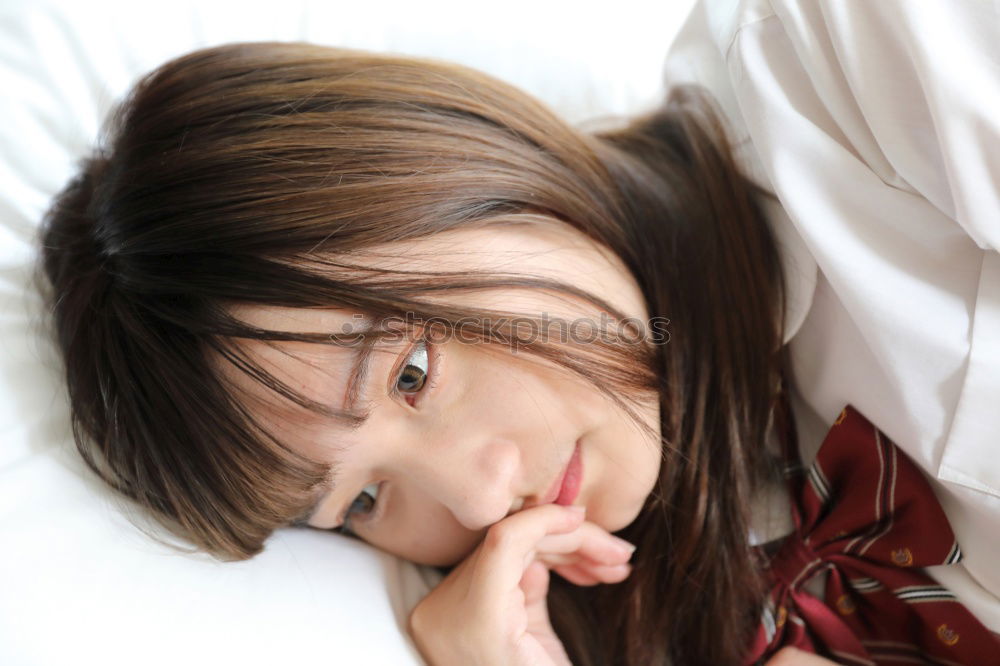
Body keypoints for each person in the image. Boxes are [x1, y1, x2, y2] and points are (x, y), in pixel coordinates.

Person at [34, 10, 997, 664]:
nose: (481, 494)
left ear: (450, 171)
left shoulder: (841, 64)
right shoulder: (643, 604)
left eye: (411, 372)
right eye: (363, 499)